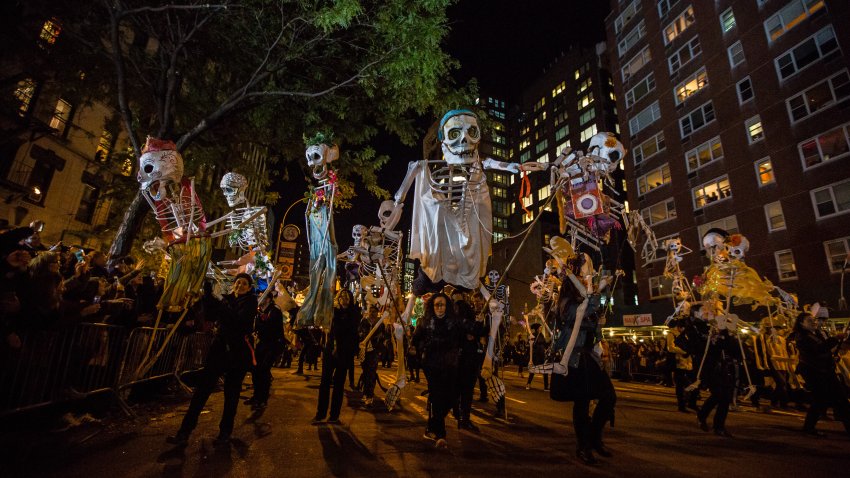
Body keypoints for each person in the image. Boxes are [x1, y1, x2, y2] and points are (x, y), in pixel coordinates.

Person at [167, 273, 257, 447]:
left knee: (231, 394)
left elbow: (238, 321)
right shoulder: (226, 300)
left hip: (237, 354)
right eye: (238, 282)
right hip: (219, 350)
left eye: (244, 284)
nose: (240, 285)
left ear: (249, 287)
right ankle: (184, 431)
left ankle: (225, 432)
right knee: (202, 391)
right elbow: (211, 316)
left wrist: (218, 304)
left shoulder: (250, 302)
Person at [549, 260, 616, 465]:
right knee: (582, 402)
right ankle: (584, 446)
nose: (584, 278)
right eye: (580, 275)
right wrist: (595, 293)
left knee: (609, 397)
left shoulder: (583, 298)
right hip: (575, 357)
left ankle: (594, 438)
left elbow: (590, 319)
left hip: (589, 355)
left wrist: (599, 326)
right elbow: (577, 314)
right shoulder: (565, 300)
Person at [413, 292, 462, 449]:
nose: (440, 308)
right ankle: (441, 435)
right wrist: (414, 345)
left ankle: (432, 423)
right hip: (432, 365)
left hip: (450, 365)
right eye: (437, 304)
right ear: (432, 306)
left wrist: (478, 326)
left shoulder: (453, 323)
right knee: (437, 396)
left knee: (452, 397)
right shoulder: (425, 322)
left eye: (442, 304)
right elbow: (415, 339)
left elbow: (466, 331)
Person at [793, 311, 850, 436]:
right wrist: (835, 339)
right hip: (814, 372)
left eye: (813, 319)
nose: (813, 321)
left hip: (826, 371)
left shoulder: (817, 333)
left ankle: (809, 427)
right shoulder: (802, 337)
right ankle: (808, 427)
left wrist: (832, 356)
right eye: (809, 320)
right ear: (801, 323)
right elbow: (819, 349)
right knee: (823, 400)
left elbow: (824, 350)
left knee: (839, 399)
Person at [312, 289, 360, 424]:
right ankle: (320, 413)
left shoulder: (353, 313)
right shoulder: (332, 312)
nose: (344, 298)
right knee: (325, 383)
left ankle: (334, 415)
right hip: (330, 352)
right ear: (338, 298)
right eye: (342, 296)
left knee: (339, 385)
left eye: (347, 296)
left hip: (344, 354)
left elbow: (353, 332)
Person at [245, 290, 286, 411]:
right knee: (256, 370)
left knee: (264, 371)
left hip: (272, 345)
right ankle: (256, 396)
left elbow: (272, 328)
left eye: (261, 296)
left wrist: (262, 322)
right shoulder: (259, 311)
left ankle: (262, 399)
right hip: (261, 345)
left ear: (268, 299)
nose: (259, 298)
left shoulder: (275, 311)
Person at [696, 329, 741, 438]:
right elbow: (708, 351)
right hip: (712, 370)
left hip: (726, 370)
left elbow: (736, 351)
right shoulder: (709, 336)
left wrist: (731, 337)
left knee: (725, 398)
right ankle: (702, 416)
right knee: (717, 395)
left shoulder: (731, 338)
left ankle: (719, 426)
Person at [455, 294, 486, 432]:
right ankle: (463, 418)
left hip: (466, 358)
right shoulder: (462, 310)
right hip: (465, 358)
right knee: (465, 390)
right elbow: (475, 330)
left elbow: (480, 331)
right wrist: (477, 325)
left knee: (463, 390)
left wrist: (477, 327)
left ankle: (461, 416)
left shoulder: (457, 311)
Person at [358, 304, 386, 406]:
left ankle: (370, 395)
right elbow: (359, 333)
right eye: (371, 311)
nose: (372, 313)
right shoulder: (364, 321)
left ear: (377, 313)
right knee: (365, 372)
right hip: (364, 350)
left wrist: (379, 343)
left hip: (374, 351)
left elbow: (383, 337)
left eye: (374, 311)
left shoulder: (380, 323)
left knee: (371, 373)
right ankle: (365, 393)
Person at [667, 320, 698, 413]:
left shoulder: (685, 335)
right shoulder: (672, 334)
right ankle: (682, 405)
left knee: (693, 384)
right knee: (681, 386)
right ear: (679, 327)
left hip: (688, 363)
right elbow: (670, 348)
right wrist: (683, 352)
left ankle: (690, 402)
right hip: (679, 363)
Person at [526, 323, 549, 390]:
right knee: (533, 370)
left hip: (542, 355)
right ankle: (528, 383)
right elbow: (530, 345)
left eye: (541, 327)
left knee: (545, 370)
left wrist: (549, 344)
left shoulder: (541, 335)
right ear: (536, 329)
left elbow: (545, 344)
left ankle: (546, 386)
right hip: (536, 356)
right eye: (539, 328)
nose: (540, 329)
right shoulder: (533, 335)